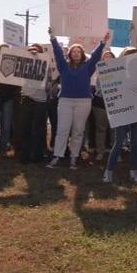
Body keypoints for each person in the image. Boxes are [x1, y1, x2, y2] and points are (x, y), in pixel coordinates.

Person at [47, 28, 109, 169]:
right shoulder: (63, 66)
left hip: (83, 102)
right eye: (73, 51)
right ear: (70, 54)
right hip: (65, 101)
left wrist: (102, 43)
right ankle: (57, 156)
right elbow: (57, 53)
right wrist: (52, 37)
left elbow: (96, 56)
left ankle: (74, 157)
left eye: (78, 51)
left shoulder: (88, 67)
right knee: (62, 129)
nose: (76, 53)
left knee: (78, 130)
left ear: (82, 54)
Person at [103, 47, 137, 184]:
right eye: (129, 55)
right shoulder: (115, 71)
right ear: (123, 57)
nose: (133, 58)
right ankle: (108, 172)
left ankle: (134, 172)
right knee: (119, 142)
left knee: (135, 142)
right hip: (121, 111)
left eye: (136, 55)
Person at [16, 44, 51, 164]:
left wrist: (39, 60)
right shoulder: (22, 65)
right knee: (25, 129)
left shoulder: (46, 65)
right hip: (26, 99)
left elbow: (50, 81)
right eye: (30, 50)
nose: (33, 52)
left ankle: (37, 155)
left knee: (39, 129)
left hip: (40, 101)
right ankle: (25, 155)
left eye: (36, 51)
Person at [90, 51, 116, 163]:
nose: (108, 58)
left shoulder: (119, 70)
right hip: (100, 102)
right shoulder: (96, 70)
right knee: (101, 128)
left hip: (116, 102)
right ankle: (100, 151)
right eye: (105, 56)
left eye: (110, 56)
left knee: (114, 129)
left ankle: (115, 152)